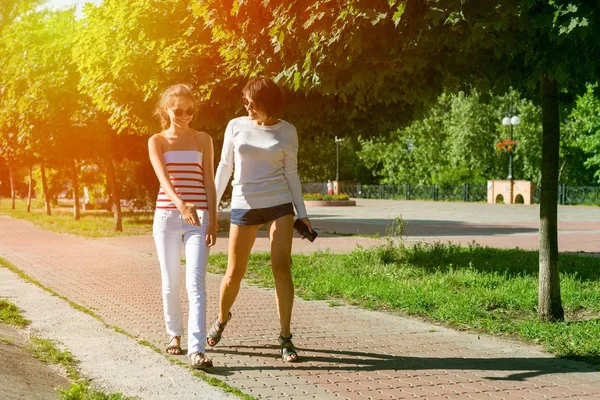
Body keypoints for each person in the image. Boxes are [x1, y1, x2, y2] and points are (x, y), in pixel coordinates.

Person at [208, 77, 312, 362]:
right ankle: (221, 319)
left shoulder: (288, 131)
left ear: (269, 104)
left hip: (279, 204)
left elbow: (292, 173)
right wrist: (212, 208)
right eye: (245, 102)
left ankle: (286, 338)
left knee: (281, 267)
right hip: (244, 205)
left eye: (253, 103)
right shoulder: (235, 125)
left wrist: (302, 214)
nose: (247, 107)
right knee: (234, 272)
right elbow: (225, 167)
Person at [148, 83, 217, 369]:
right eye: (178, 110)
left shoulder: (203, 139)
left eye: (189, 110)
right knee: (171, 281)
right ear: (167, 109)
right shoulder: (157, 140)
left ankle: (196, 349)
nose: (184, 115)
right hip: (167, 216)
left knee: (195, 282)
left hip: (198, 218)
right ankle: (175, 335)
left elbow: (209, 181)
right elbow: (163, 179)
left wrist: (213, 218)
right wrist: (181, 205)